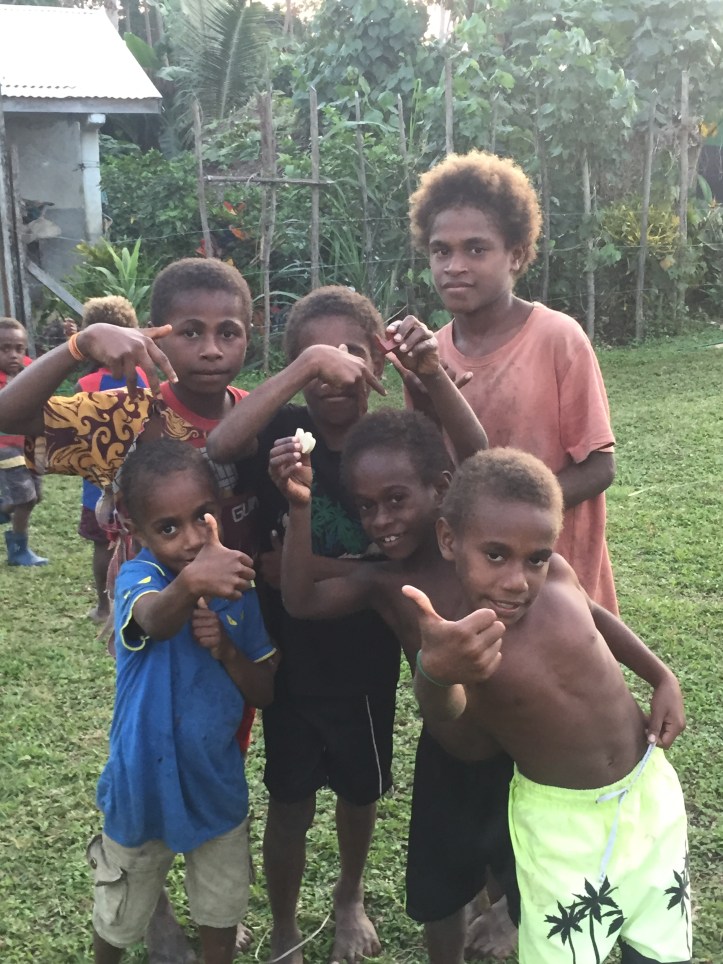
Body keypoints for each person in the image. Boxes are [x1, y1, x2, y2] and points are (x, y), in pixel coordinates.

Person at [0, 257, 260, 960]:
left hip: (232, 617)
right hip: (148, 614)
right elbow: (8, 416)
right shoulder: (129, 412)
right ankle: (152, 901)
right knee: (152, 742)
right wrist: (79, 345)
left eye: (229, 331)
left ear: (250, 335)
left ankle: (204, 874)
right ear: (157, 336)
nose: (210, 348)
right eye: (190, 332)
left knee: (219, 738)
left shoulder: (255, 413)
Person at [405, 448, 690, 964]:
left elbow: (595, 615)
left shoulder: (557, 574)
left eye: (534, 557)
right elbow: (452, 722)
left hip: (648, 795)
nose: (518, 580)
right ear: (449, 540)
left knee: (658, 944)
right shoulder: (467, 643)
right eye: (496, 555)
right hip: (562, 830)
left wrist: (660, 675)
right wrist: (435, 672)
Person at [207, 287, 419, 964]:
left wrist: (305, 567)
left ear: (376, 361)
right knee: (289, 800)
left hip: (365, 659)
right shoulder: (280, 432)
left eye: (350, 352)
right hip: (288, 661)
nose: (334, 370)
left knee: (360, 793)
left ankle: (349, 897)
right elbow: (220, 443)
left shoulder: (389, 447)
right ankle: (283, 922)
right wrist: (304, 367)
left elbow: (396, 561)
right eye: (315, 358)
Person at [404, 149, 617, 614]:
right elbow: (437, 473)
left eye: (476, 249)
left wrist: (514, 520)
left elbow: (600, 467)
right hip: (479, 584)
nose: (454, 265)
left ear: (516, 255)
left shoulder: (558, 338)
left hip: (559, 579)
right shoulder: (430, 357)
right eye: (441, 250)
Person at [89, 438, 276, 964]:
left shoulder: (239, 588)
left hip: (215, 782)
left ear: (220, 506)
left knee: (221, 911)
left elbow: (266, 690)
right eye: (168, 528)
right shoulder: (139, 577)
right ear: (137, 529)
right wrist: (193, 582)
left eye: (202, 515)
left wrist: (228, 651)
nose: (192, 538)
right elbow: (154, 619)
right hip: (140, 786)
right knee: (118, 915)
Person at [74, 296, 148, 624]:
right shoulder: (145, 378)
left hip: (97, 485)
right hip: (139, 481)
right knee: (140, 541)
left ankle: (104, 607)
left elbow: (77, 434)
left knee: (101, 546)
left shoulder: (86, 385)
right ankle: (139, 598)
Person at [0, 316, 48, 566]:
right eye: (5, 349)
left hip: (31, 444)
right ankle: (19, 550)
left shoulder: (30, 371)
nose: (13, 355)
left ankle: (4, 508)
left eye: (19, 349)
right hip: (5, 448)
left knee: (35, 496)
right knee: (25, 498)